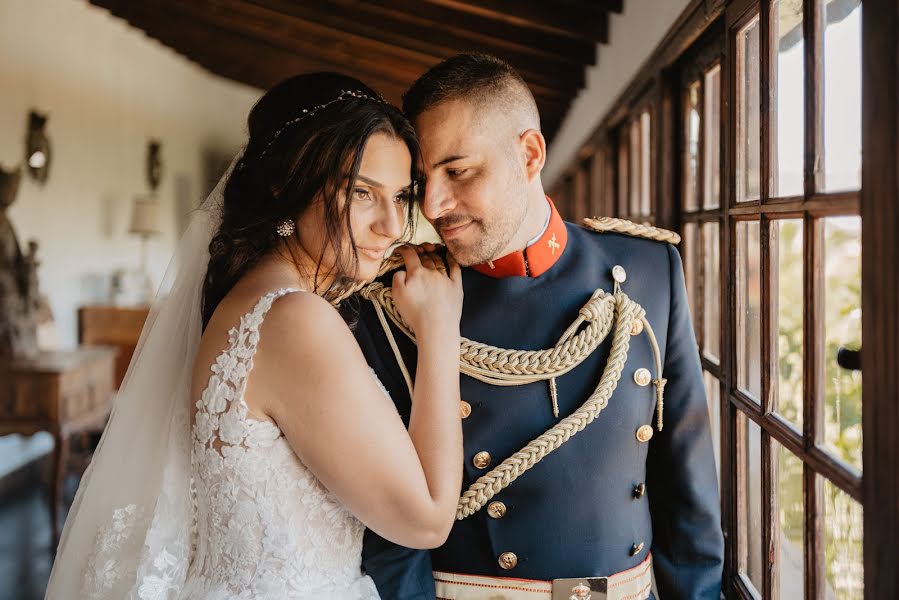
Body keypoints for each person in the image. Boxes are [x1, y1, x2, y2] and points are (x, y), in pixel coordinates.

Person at [44, 72, 464, 599]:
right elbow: (425, 520)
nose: (390, 225)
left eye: (399, 196)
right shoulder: (295, 319)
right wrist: (440, 330)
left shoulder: (245, 299)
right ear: (288, 187)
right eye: (361, 193)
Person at [355, 54, 724, 600]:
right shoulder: (397, 307)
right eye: (422, 180)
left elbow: (686, 484)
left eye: (458, 171)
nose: (432, 204)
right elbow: (390, 538)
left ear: (529, 155)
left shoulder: (646, 269)